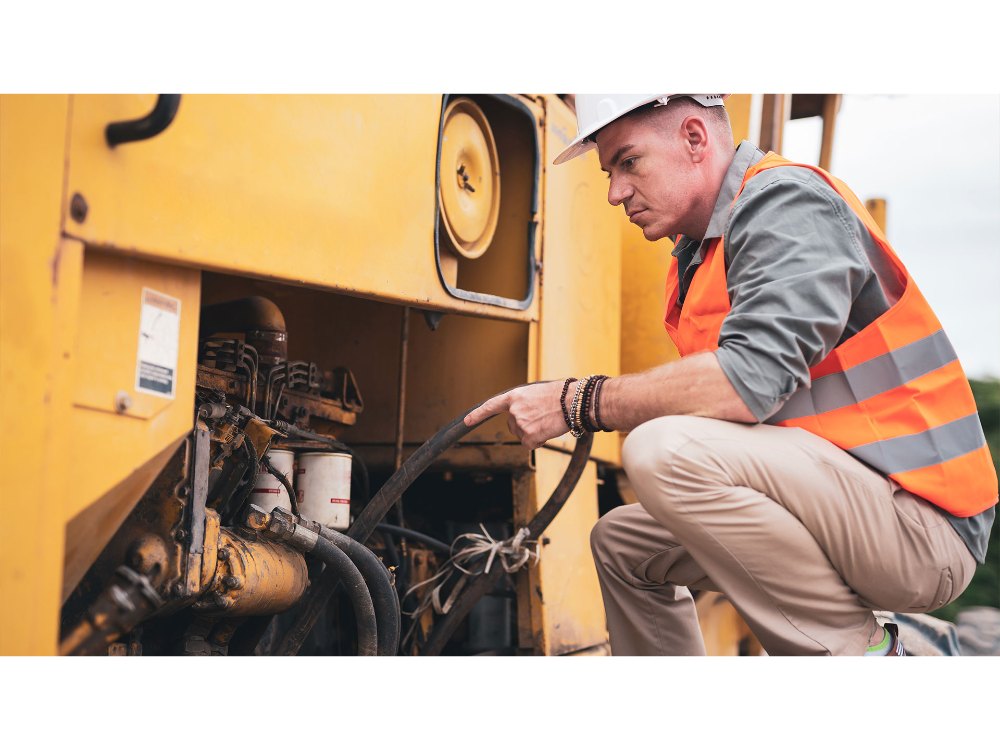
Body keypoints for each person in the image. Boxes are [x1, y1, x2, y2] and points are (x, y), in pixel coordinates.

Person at [463, 94, 997, 656]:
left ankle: (862, 660)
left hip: (920, 526)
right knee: (622, 544)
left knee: (662, 449)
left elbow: (748, 381)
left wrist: (578, 402)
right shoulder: (697, 257)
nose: (615, 192)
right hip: (848, 504)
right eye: (609, 172)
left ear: (695, 138)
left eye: (628, 162)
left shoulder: (787, 203)